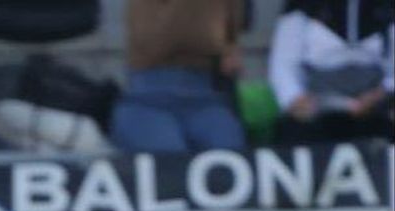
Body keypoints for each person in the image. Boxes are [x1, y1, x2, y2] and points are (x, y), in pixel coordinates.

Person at [110, 0, 247, 153]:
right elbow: (159, 42)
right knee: (167, 163)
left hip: (207, 91)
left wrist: (229, 45)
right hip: (150, 97)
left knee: (229, 157)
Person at [268, 0, 394, 145]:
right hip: (317, 103)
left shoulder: (386, 6)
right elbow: (283, 63)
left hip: (375, 102)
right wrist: (295, 98)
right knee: (295, 132)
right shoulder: (303, 7)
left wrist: (381, 94)